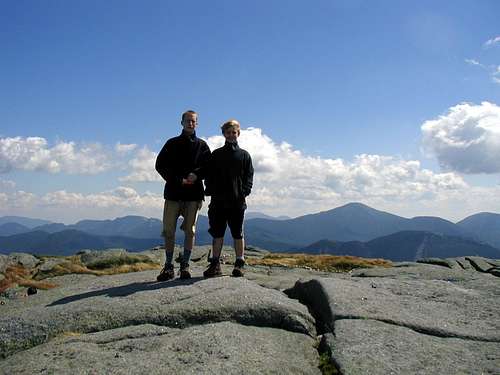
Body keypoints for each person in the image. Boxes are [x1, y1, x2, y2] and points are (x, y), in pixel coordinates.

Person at [155, 110, 211, 281]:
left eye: (193, 121)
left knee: (190, 231)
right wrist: (178, 180)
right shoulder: (171, 143)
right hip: (173, 193)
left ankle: (185, 265)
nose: (190, 123)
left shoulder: (202, 145)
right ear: (181, 122)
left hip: (193, 195)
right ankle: (169, 266)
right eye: (188, 121)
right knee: (168, 231)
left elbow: (209, 166)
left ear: (197, 123)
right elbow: (160, 165)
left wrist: (197, 175)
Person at [203, 119, 254, 278]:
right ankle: (215, 264)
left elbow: (249, 176)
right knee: (217, 233)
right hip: (218, 201)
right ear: (224, 134)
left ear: (238, 133)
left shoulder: (244, 155)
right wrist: (210, 190)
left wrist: (244, 192)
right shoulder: (216, 154)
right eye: (228, 132)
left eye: (234, 132)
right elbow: (209, 175)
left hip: (237, 202)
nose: (231, 135)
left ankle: (239, 263)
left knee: (237, 233)